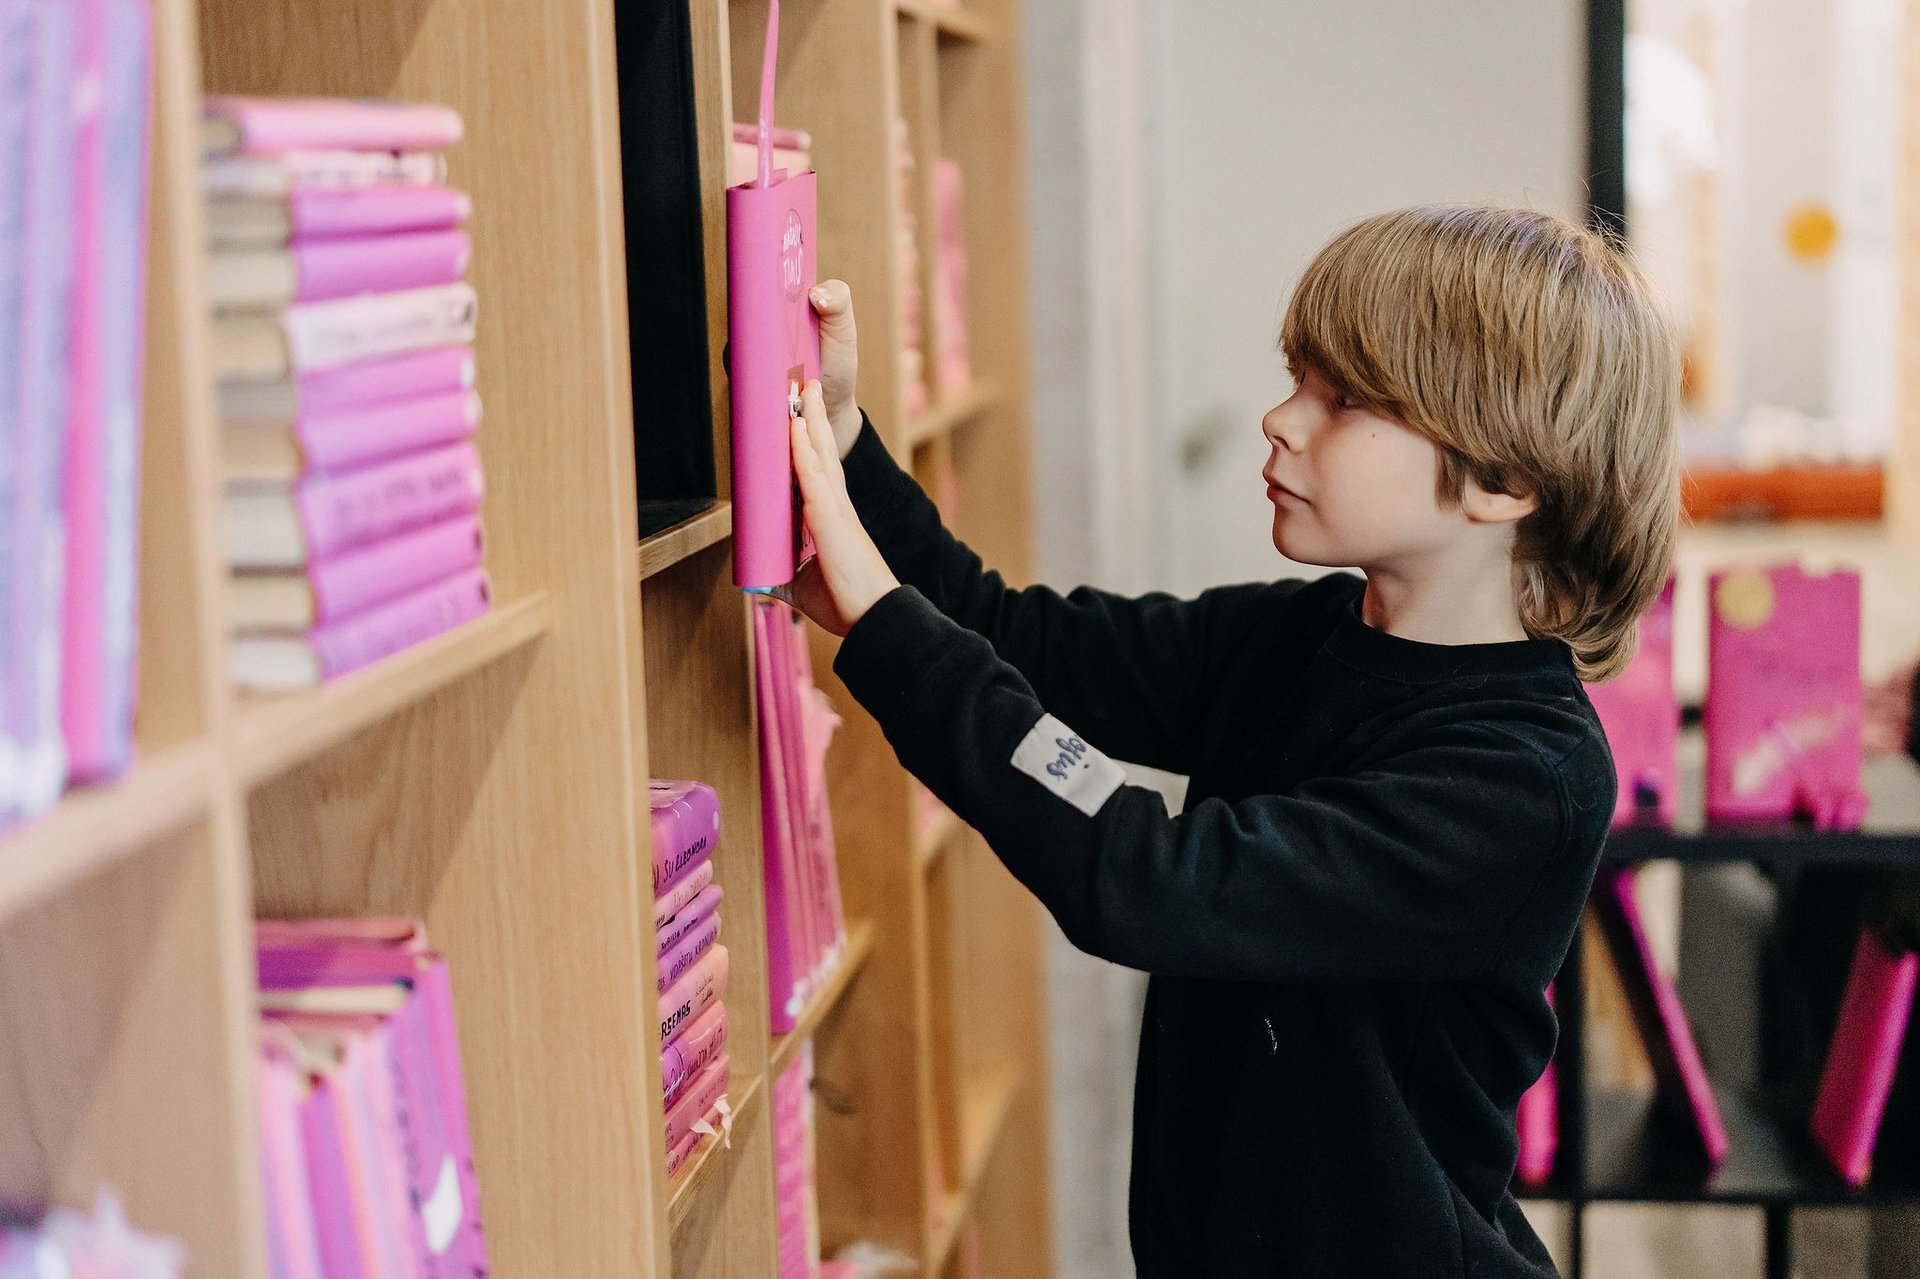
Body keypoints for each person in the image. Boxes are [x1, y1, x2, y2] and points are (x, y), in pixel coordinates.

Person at [779, 205, 1680, 1277]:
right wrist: (842, 440)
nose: (1280, 420)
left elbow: (1151, 881)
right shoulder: (1296, 634)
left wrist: (887, 631)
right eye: (1297, 378)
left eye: (1340, 398)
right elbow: (1015, 636)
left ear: (1503, 480)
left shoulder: (1525, 777)